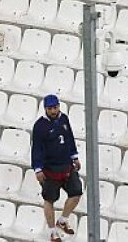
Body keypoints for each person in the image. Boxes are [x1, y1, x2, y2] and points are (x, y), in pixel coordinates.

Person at [30, 94, 83, 240]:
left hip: (67, 166)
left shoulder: (64, 119)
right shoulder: (40, 126)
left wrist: (75, 157)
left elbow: (69, 138)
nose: (53, 111)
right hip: (50, 169)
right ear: (45, 109)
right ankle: (52, 231)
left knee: (76, 192)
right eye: (50, 108)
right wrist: (38, 168)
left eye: (55, 107)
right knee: (49, 200)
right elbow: (36, 148)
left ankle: (63, 220)